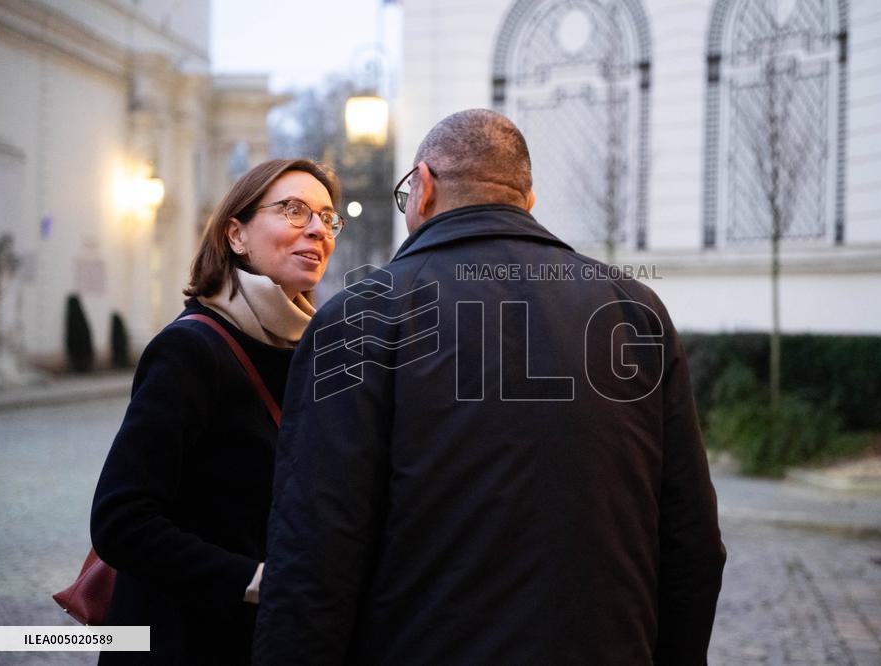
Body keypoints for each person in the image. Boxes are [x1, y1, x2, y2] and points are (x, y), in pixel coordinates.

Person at [254, 110, 726, 665]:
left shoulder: (358, 317)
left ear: (423, 189)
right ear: (527, 201)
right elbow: (692, 544)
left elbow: (315, 553)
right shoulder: (633, 310)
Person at [91, 158, 344, 665]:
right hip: (180, 640)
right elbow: (121, 521)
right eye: (294, 211)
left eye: (327, 217)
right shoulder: (191, 350)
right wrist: (255, 580)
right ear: (236, 235)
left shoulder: (314, 351)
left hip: (270, 638)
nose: (317, 228)